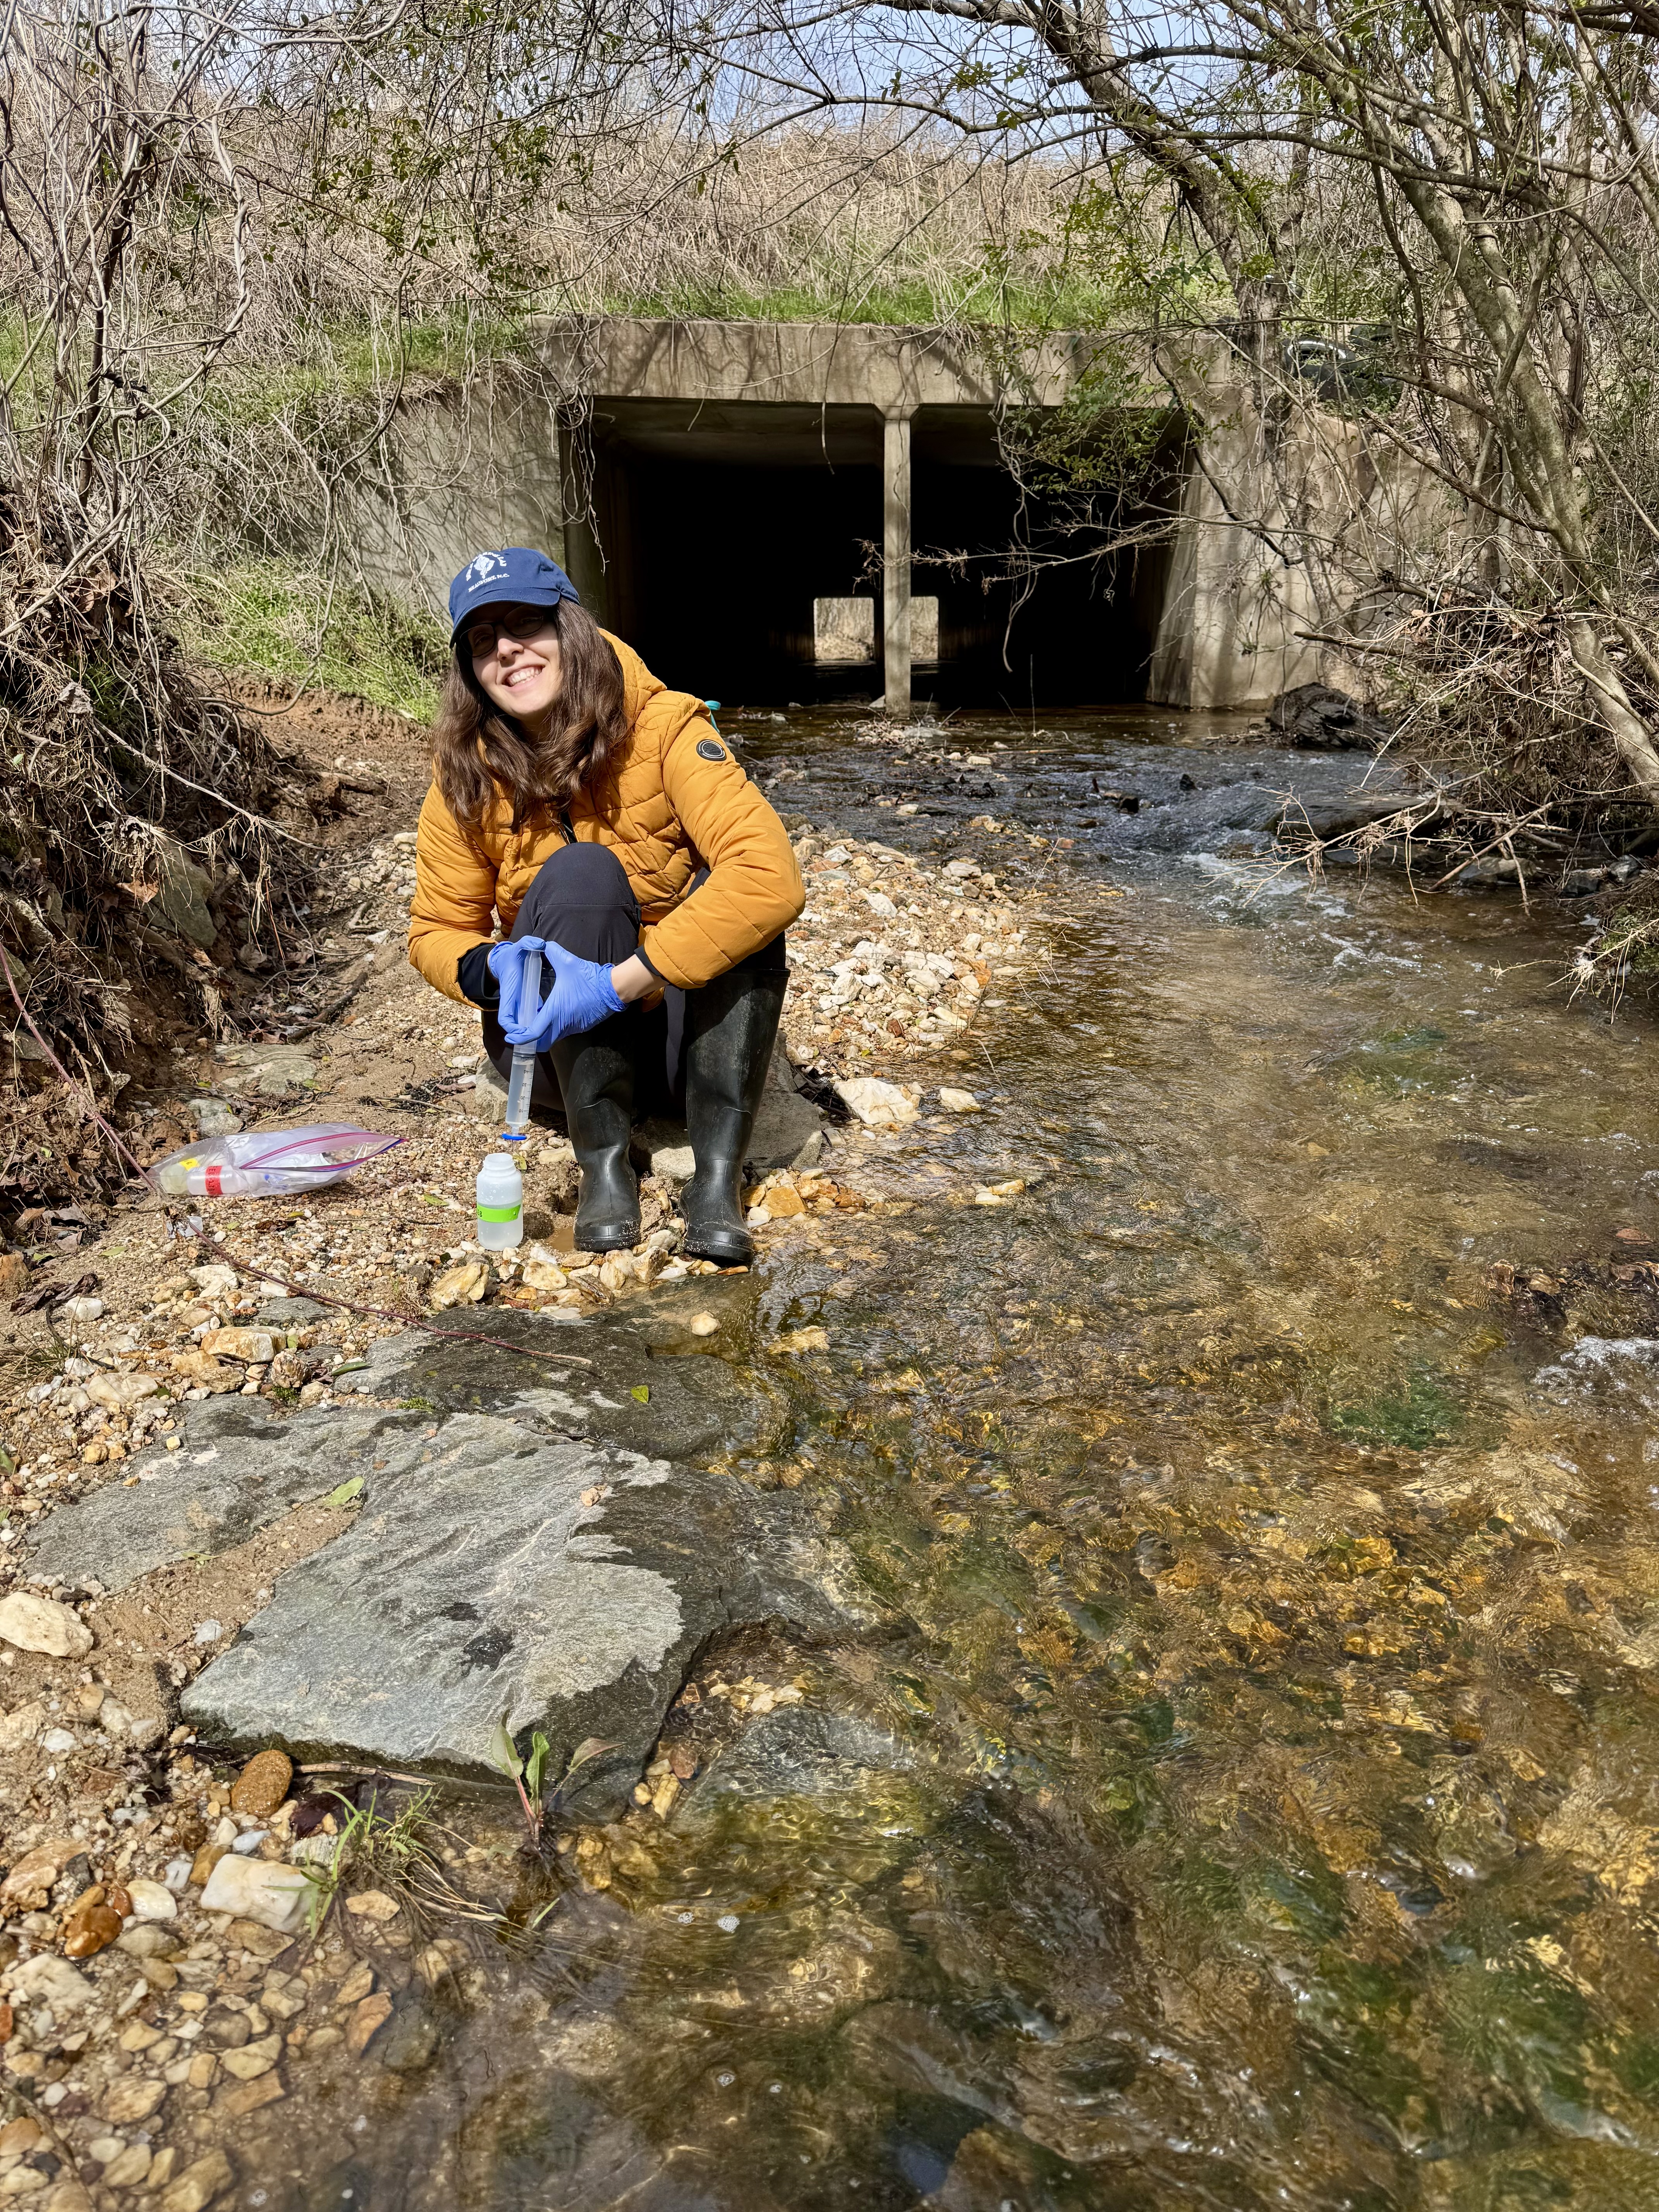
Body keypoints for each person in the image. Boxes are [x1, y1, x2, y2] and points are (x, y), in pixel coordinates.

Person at [406, 547, 804, 1264]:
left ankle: (715, 1179)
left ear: (572, 629)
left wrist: (626, 980)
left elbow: (770, 878)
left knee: (739, 901)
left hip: (683, 1041)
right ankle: (604, 1167)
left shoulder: (668, 727)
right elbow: (436, 931)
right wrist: (497, 970)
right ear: (469, 668)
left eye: (527, 624)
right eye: (482, 640)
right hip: (562, 1053)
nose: (508, 651)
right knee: (581, 873)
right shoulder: (462, 773)